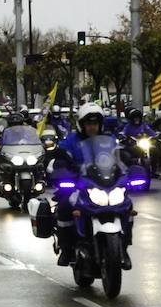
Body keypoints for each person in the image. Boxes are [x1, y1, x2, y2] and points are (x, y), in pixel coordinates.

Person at [52, 103, 131, 269]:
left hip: (104, 182)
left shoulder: (109, 140)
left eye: (95, 123)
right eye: (88, 124)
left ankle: (123, 247)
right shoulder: (71, 141)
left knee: (127, 205)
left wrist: (128, 156)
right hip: (79, 183)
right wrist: (60, 162)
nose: (92, 127)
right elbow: (60, 154)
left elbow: (119, 155)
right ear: (82, 125)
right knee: (65, 206)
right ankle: (66, 248)